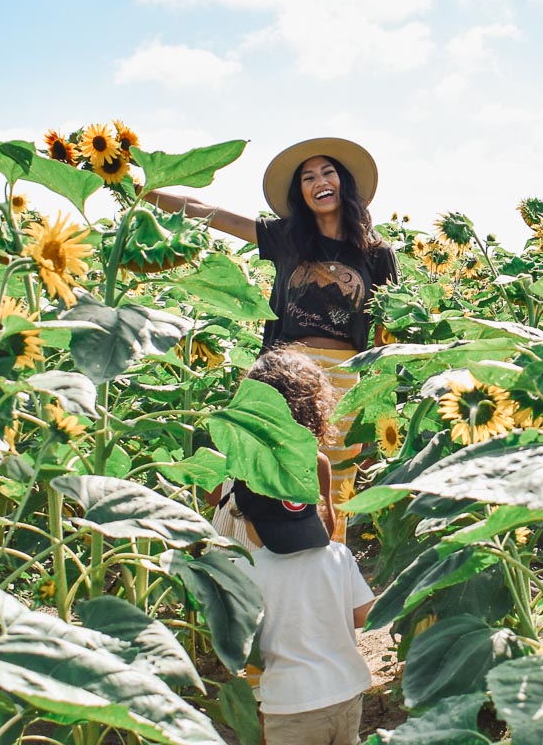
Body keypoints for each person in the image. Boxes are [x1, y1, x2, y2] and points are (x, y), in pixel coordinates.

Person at [149, 137, 398, 541]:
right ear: (300, 191)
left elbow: (389, 331)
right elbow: (207, 212)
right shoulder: (287, 238)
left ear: (344, 182)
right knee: (270, 468)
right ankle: (257, 573)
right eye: (308, 176)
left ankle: (323, 579)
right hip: (289, 376)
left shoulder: (376, 254)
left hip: (347, 376)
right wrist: (142, 189)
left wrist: (382, 402)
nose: (319, 181)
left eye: (328, 172)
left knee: (334, 482)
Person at [232, 478, 375, 745]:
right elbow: (364, 614)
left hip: (291, 703)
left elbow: (236, 636)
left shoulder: (245, 569)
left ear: (249, 519)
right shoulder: (338, 555)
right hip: (346, 690)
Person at [211, 348, 338, 549]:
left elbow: (211, 498)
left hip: (230, 567)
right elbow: (327, 528)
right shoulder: (313, 462)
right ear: (312, 409)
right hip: (289, 570)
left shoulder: (233, 454)